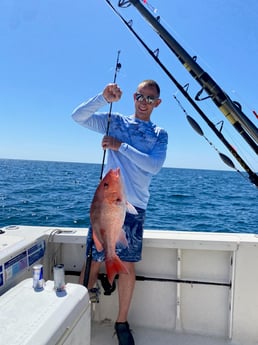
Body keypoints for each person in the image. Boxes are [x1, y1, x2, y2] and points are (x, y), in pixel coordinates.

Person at [72, 80, 168, 345]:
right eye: (140, 96)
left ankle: (122, 321)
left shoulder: (159, 133)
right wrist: (102, 98)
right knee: (93, 261)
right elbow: (78, 117)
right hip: (106, 203)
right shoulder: (115, 121)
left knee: (127, 265)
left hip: (133, 206)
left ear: (157, 103)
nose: (143, 102)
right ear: (133, 97)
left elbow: (154, 165)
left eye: (150, 99)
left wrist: (119, 146)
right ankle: (73, 317)